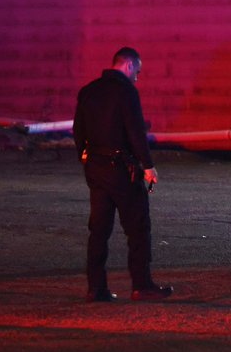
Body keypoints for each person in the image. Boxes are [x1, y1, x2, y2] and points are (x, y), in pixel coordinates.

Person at [73, 47, 172, 302]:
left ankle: (96, 288)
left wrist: (87, 159)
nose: (137, 78)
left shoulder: (89, 91)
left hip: (96, 167)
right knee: (138, 228)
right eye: (136, 72)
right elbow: (135, 131)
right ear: (128, 66)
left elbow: (78, 132)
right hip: (121, 169)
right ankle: (142, 285)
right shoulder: (126, 92)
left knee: (99, 231)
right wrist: (148, 166)